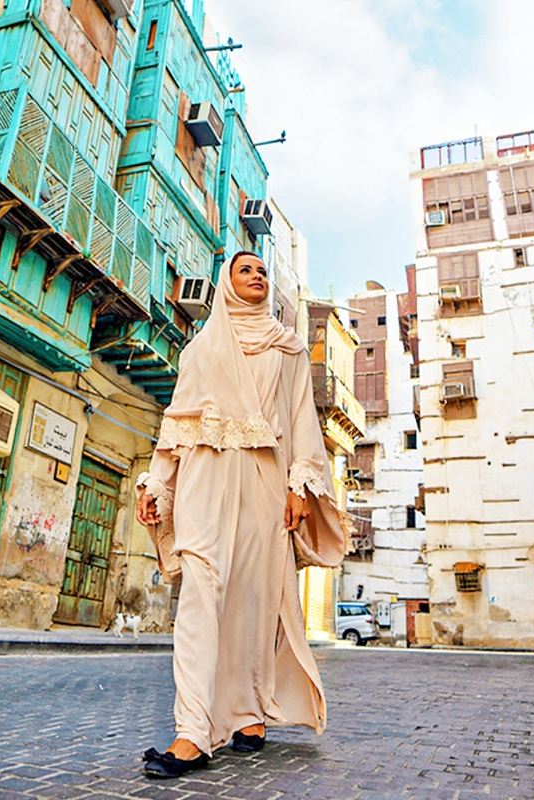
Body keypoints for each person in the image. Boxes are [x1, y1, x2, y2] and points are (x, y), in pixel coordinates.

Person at [134, 251, 348, 779]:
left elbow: (301, 419)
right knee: (200, 596)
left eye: (262, 272)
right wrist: (157, 483)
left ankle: (249, 714)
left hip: (263, 483)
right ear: (227, 285)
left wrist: (299, 485)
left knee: (253, 601)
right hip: (205, 476)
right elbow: (178, 421)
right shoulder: (200, 348)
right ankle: (192, 732)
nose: (256, 277)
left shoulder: (288, 347)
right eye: (245, 271)